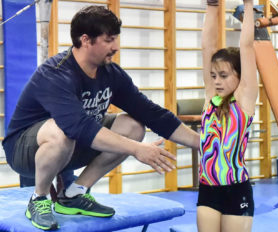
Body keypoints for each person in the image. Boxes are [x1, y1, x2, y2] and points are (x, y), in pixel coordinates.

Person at [2, 5, 200, 231]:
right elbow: (79, 127)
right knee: (62, 132)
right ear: (86, 40)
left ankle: (75, 194)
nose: (116, 47)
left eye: (116, 39)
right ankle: (38, 199)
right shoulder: (55, 73)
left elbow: (152, 113)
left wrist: (202, 143)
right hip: (25, 151)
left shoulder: (111, 74)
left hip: (71, 144)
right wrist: (138, 149)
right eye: (109, 40)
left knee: (133, 125)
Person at [197, 0, 258, 231]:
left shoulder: (244, 100)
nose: (216, 81)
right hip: (208, 189)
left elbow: (247, 48)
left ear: (240, 76)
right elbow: (207, 47)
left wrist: (249, 5)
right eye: (213, 76)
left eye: (223, 75)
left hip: (236, 189)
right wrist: (212, 6)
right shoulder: (210, 98)